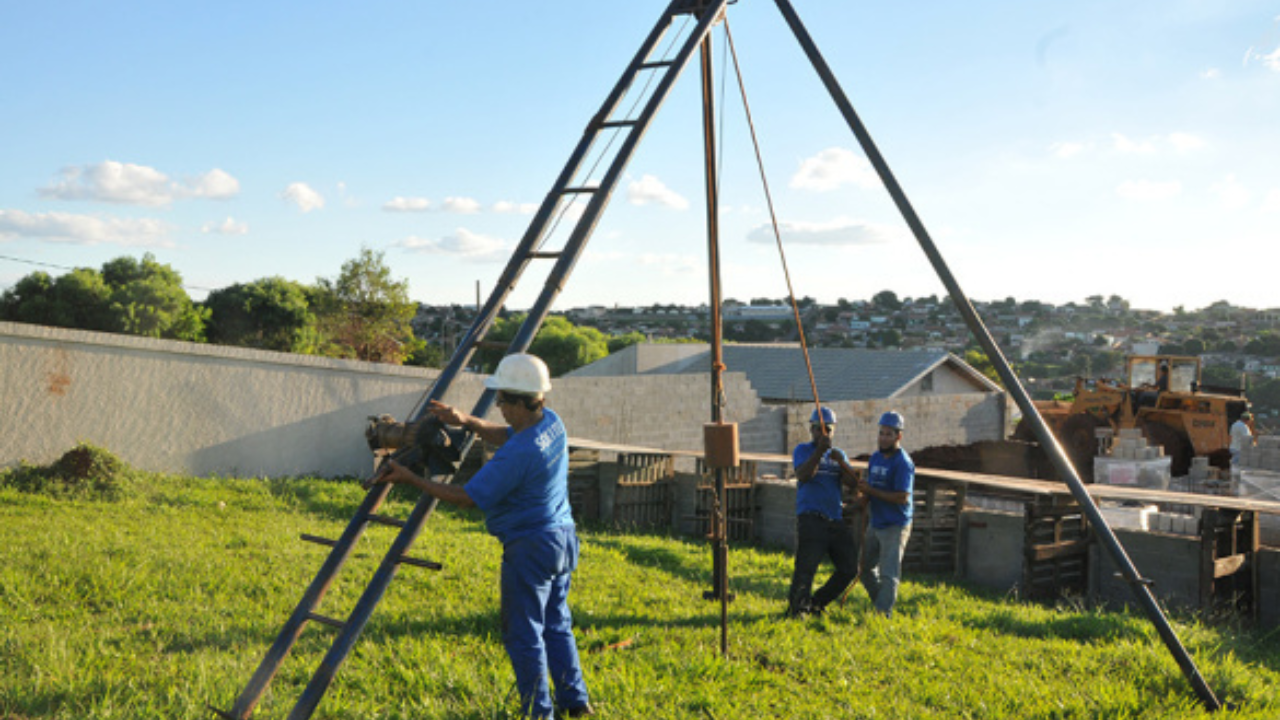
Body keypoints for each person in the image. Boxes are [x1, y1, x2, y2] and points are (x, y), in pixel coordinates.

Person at [375, 353, 593, 719]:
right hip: (563, 538)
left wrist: (410, 479)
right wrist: (466, 421)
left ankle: (538, 714)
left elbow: (467, 498)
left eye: (503, 401)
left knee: (524, 634)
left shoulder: (518, 456)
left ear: (522, 401)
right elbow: (504, 433)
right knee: (557, 623)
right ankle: (576, 702)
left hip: (531, 548)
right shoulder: (551, 423)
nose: (500, 408)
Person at [786, 406, 859, 617]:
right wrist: (819, 452)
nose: (822, 433)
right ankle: (797, 608)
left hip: (834, 519)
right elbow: (803, 475)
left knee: (848, 568)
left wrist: (842, 464)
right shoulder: (803, 450)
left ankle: (817, 602)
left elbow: (853, 483)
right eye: (818, 429)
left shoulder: (839, 455)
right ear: (811, 430)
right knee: (806, 568)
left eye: (827, 429)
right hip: (811, 518)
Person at [857, 411, 915, 618]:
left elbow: (902, 497)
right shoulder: (875, 458)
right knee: (863, 569)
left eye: (888, 434)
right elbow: (871, 488)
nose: (883, 438)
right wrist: (863, 498)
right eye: (881, 433)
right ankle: (880, 604)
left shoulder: (903, 463)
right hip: (876, 521)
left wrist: (871, 492)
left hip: (895, 524)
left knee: (888, 574)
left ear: (898, 436)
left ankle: (883, 614)